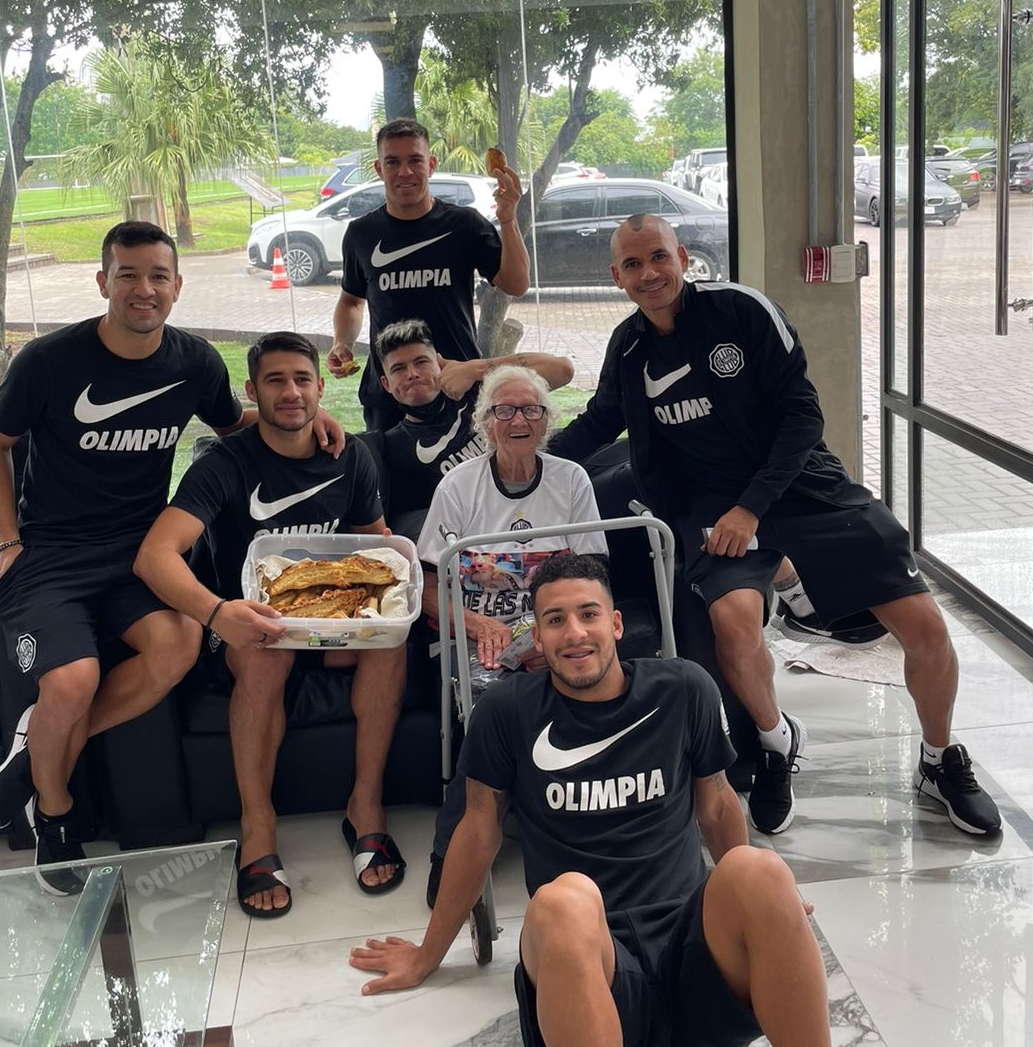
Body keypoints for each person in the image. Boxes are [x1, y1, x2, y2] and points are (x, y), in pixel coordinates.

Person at [547, 213, 1002, 839]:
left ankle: (938, 759)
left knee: (923, 627)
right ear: (616, 278)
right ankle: (772, 741)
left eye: (657, 257)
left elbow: (802, 414)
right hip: (710, 504)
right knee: (733, 620)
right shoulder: (628, 350)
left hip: (803, 484)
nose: (648, 273)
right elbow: (600, 422)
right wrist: (526, 459)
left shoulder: (743, 311)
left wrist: (754, 507)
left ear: (681, 256)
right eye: (632, 265)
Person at [351, 553, 832, 1047]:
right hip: (586, 959)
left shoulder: (685, 688)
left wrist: (764, 906)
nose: (575, 633)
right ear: (536, 638)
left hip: (688, 948)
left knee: (764, 872)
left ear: (616, 624)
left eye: (589, 614)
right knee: (563, 901)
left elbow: (717, 804)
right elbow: (477, 832)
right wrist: (428, 954)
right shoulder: (506, 710)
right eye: (555, 620)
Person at [0, 223, 252, 894]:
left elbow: (236, 426)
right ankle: (55, 810)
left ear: (177, 286)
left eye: (158, 275)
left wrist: (305, 421)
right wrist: (7, 538)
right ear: (102, 282)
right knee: (70, 681)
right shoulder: (48, 361)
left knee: (180, 642)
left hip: (136, 555)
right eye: (128, 274)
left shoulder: (195, 362)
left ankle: (37, 741)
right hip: (51, 555)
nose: (144, 288)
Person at [134, 332, 406, 917]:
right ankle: (258, 828)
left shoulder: (350, 455)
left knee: (392, 641)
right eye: (276, 381)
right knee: (264, 650)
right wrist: (216, 611)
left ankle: (367, 806)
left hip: (333, 628)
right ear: (251, 392)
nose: (291, 392)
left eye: (302, 380)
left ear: (320, 388)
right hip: (249, 626)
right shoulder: (223, 464)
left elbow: (377, 550)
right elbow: (154, 555)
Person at [415, 365, 609, 906]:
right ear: (486, 423)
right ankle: (450, 852)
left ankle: (589, 838)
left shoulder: (571, 480)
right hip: (476, 635)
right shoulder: (458, 486)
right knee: (490, 710)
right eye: (504, 410)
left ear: (546, 422)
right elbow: (428, 589)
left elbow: (592, 579)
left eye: (531, 410)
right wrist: (476, 624)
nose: (518, 420)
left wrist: (545, 638)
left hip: (557, 630)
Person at [326, 119, 530, 430]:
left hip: (456, 384)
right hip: (390, 392)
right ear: (379, 169)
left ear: (431, 164)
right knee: (392, 478)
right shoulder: (361, 233)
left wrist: (508, 218)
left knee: (469, 479)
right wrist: (342, 342)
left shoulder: (465, 224)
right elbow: (352, 301)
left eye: (415, 160)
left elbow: (516, 284)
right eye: (392, 162)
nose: (404, 171)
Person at [371, 317, 574, 537]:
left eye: (421, 362)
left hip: (540, 507)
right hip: (476, 540)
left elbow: (562, 369)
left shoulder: (482, 396)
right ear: (386, 384)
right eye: (399, 369)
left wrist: (477, 369)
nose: (412, 374)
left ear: (439, 364)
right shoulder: (391, 448)